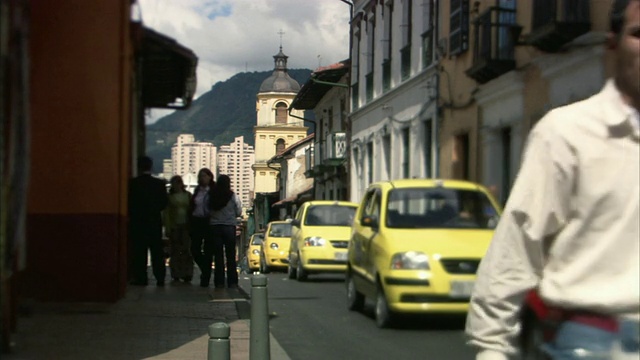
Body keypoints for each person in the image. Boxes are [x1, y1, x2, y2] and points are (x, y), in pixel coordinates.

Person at [465, 1, 640, 359]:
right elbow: (518, 245)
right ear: (614, 42)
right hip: (594, 342)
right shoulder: (566, 133)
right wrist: (492, 349)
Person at [128, 156, 169, 286]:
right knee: (157, 251)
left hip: (138, 222)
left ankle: (141, 278)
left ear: (139, 167)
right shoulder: (159, 184)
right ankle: (160, 278)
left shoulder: (133, 184)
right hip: (154, 222)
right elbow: (164, 203)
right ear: (151, 167)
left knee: (139, 251)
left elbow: (129, 203)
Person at [209, 174, 242, 289]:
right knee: (230, 256)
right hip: (229, 227)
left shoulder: (211, 195)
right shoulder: (232, 196)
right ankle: (232, 281)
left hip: (214, 227)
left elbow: (205, 209)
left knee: (218, 256)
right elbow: (239, 211)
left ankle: (219, 282)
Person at [163, 175, 194, 283]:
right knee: (175, 251)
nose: (177, 185)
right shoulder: (169, 197)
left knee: (187, 250)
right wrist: (167, 227)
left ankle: (187, 273)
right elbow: (166, 214)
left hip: (186, 226)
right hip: (174, 227)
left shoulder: (189, 196)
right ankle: (176, 273)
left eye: (178, 183)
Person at [189, 168, 216, 287]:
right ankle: (205, 269)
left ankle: (205, 277)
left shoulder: (213, 190)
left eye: (205, 176)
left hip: (209, 222)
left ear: (210, 177)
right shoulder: (197, 190)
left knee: (208, 250)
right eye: (200, 176)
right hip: (197, 221)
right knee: (194, 249)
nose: (202, 178)